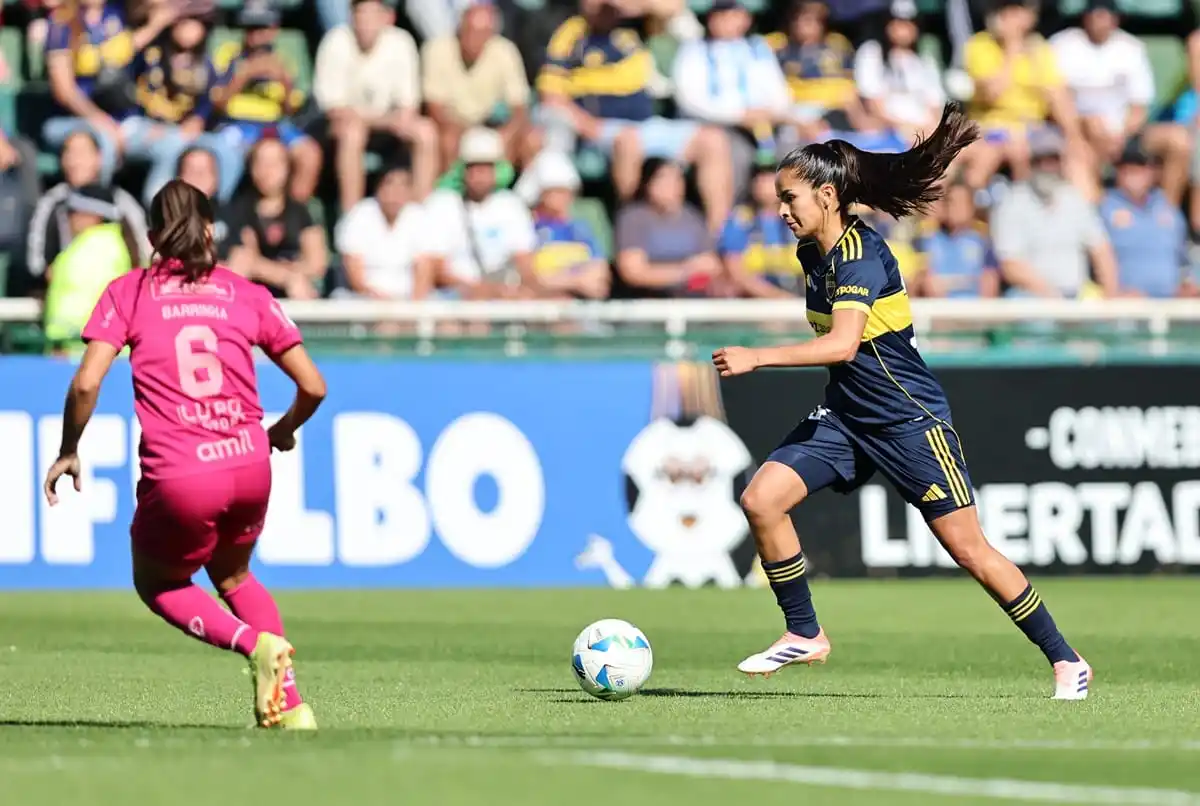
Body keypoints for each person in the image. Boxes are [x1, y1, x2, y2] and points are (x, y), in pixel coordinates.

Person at [711, 104, 1092, 700]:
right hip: (847, 418)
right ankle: (804, 632)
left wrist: (758, 356)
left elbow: (841, 345)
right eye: (777, 200)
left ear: (829, 194)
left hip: (907, 420)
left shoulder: (861, 254)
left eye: (790, 198)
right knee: (761, 499)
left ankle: (1067, 660)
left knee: (970, 551)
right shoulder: (812, 254)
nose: (781, 211)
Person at [42, 179, 324, 730]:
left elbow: (84, 384)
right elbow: (313, 386)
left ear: (150, 235)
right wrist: (284, 429)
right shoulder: (246, 293)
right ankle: (289, 709)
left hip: (183, 472)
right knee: (237, 576)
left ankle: (254, 646)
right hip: (249, 463)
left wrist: (69, 449)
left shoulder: (130, 291)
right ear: (213, 231)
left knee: (160, 582)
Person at [218, 138, 328, 300]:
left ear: (288, 168)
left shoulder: (303, 211)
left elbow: (317, 263)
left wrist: (288, 272)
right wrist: (287, 277)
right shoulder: (238, 210)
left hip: (298, 291)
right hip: (256, 293)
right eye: (261, 163)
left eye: (274, 163)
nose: (267, 171)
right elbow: (248, 260)